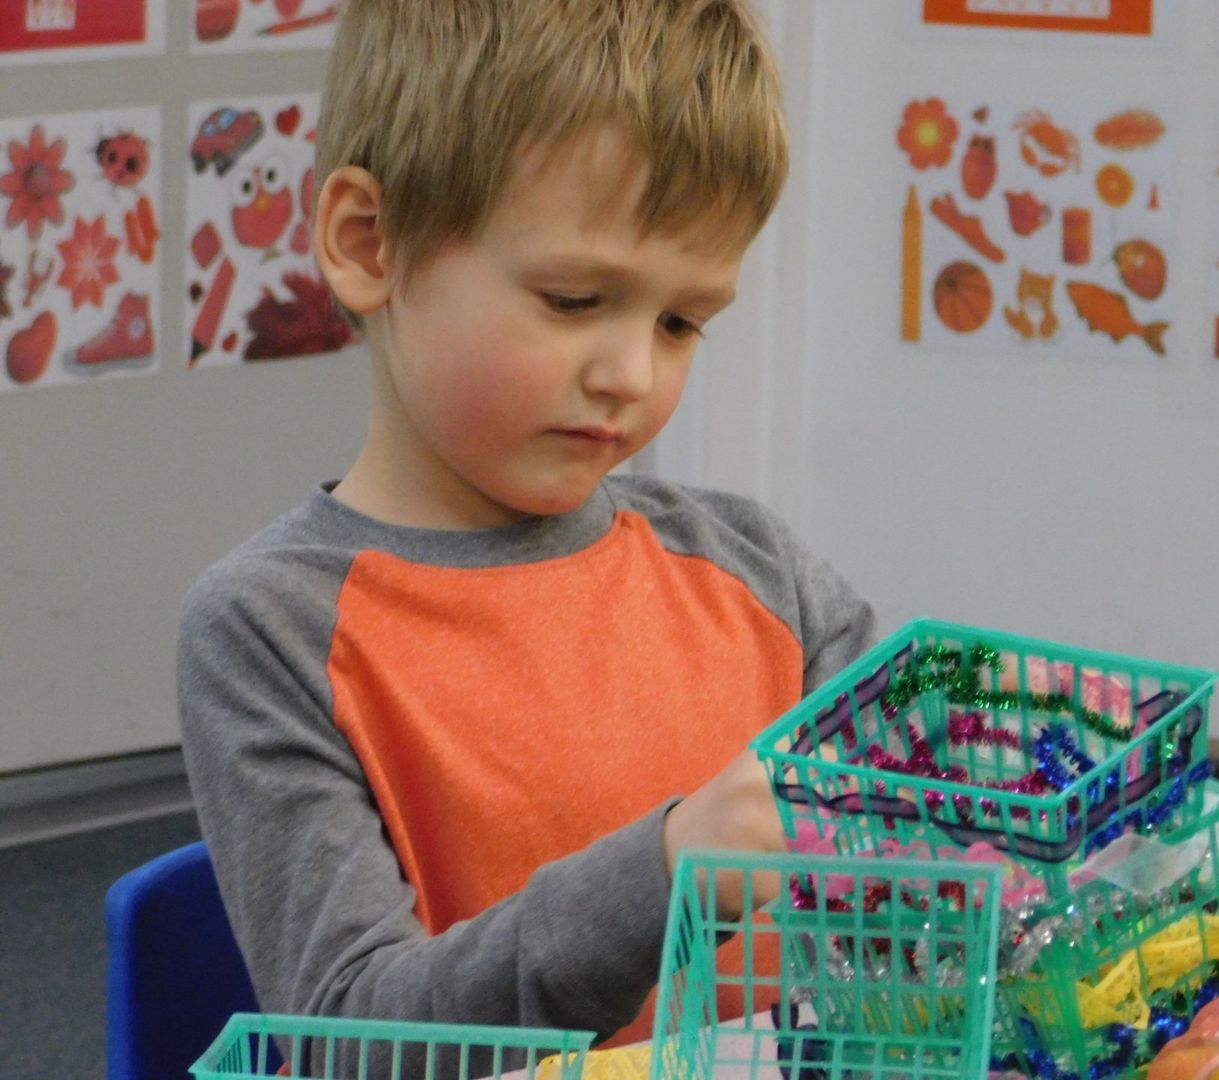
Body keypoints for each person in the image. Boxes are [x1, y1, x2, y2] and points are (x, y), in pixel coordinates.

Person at [177, 0, 875, 1060]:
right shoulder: (270, 629)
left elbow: (922, 906)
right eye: (573, 298)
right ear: (371, 244)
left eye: (682, 322)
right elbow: (353, 1040)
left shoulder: (762, 578)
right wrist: (667, 872)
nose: (632, 375)